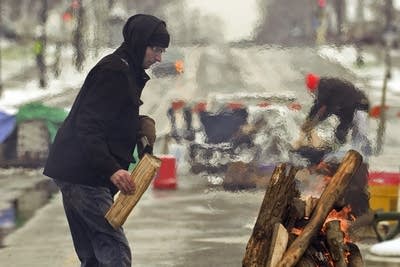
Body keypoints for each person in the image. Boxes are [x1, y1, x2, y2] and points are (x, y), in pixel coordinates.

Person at [43, 14, 170, 266]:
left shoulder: (127, 69)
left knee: (93, 255)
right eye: (155, 49)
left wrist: (136, 126)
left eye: (162, 51)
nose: (159, 58)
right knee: (114, 252)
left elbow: (107, 116)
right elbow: (88, 126)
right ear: (139, 42)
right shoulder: (114, 71)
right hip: (85, 174)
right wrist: (112, 169)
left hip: (76, 170)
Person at [299, 73, 371, 156]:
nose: (313, 93)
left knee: (358, 136)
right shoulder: (325, 87)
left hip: (359, 107)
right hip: (348, 108)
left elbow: (329, 108)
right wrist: (309, 120)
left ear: (315, 86)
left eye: (313, 90)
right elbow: (317, 105)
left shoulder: (326, 88)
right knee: (340, 133)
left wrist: (315, 122)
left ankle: (362, 158)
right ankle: (341, 155)